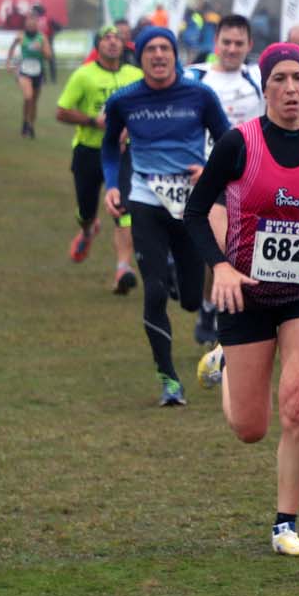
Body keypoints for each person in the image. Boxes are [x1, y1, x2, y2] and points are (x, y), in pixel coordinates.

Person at [184, 43, 299, 556]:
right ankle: (223, 359)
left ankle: (285, 525)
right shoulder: (238, 144)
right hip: (246, 294)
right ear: (265, 87)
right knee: (249, 428)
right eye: (280, 79)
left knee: (297, 403)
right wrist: (220, 266)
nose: (291, 89)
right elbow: (196, 214)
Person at [99, 27, 229, 405]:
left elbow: (228, 141)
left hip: (190, 205)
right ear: (139, 57)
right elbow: (109, 147)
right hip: (145, 200)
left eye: (164, 48)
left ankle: (176, 271)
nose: (158, 55)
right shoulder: (125, 100)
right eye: (150, 49)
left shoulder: (200, 95)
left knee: (190, 299)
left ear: (175, 54)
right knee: (154, 292)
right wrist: (112, 184)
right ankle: (169, 380)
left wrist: (212, 172)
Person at [187, 13, 266, 345]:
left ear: (249, 45)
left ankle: (222, 310)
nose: (232, 49)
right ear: (215, 42)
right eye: (226, 42)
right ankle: (212, 309)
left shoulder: (258, 76)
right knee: (220, 248)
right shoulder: (194, 77)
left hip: (253, 176)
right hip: (207, 176)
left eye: (239, 43)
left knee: (248, 251)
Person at [56, 22, 143, 291]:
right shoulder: (84, 75)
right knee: (85, 209)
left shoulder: (135, 75)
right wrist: (93, 121)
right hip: (88, 151)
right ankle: (87, 229)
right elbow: (62, 111)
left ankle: (122, 269)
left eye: (117, 38)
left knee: (123, 210)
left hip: (123, 154)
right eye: (107, 38)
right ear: (98, 44)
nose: (113, 42)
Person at [6, 4, 54, 138]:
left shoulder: (42, 37)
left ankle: (30, 124)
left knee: (34, 102)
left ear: (37, 23)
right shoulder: (20, 36)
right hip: (24, 70)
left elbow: (49, 56)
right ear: (26, 23)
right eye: (29, 21)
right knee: (28, 96)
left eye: (34, 21)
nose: (31, 23)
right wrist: (8, 63)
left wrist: (42, 49)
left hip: (38, 72)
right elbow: (11, 47)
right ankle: (24, 122)